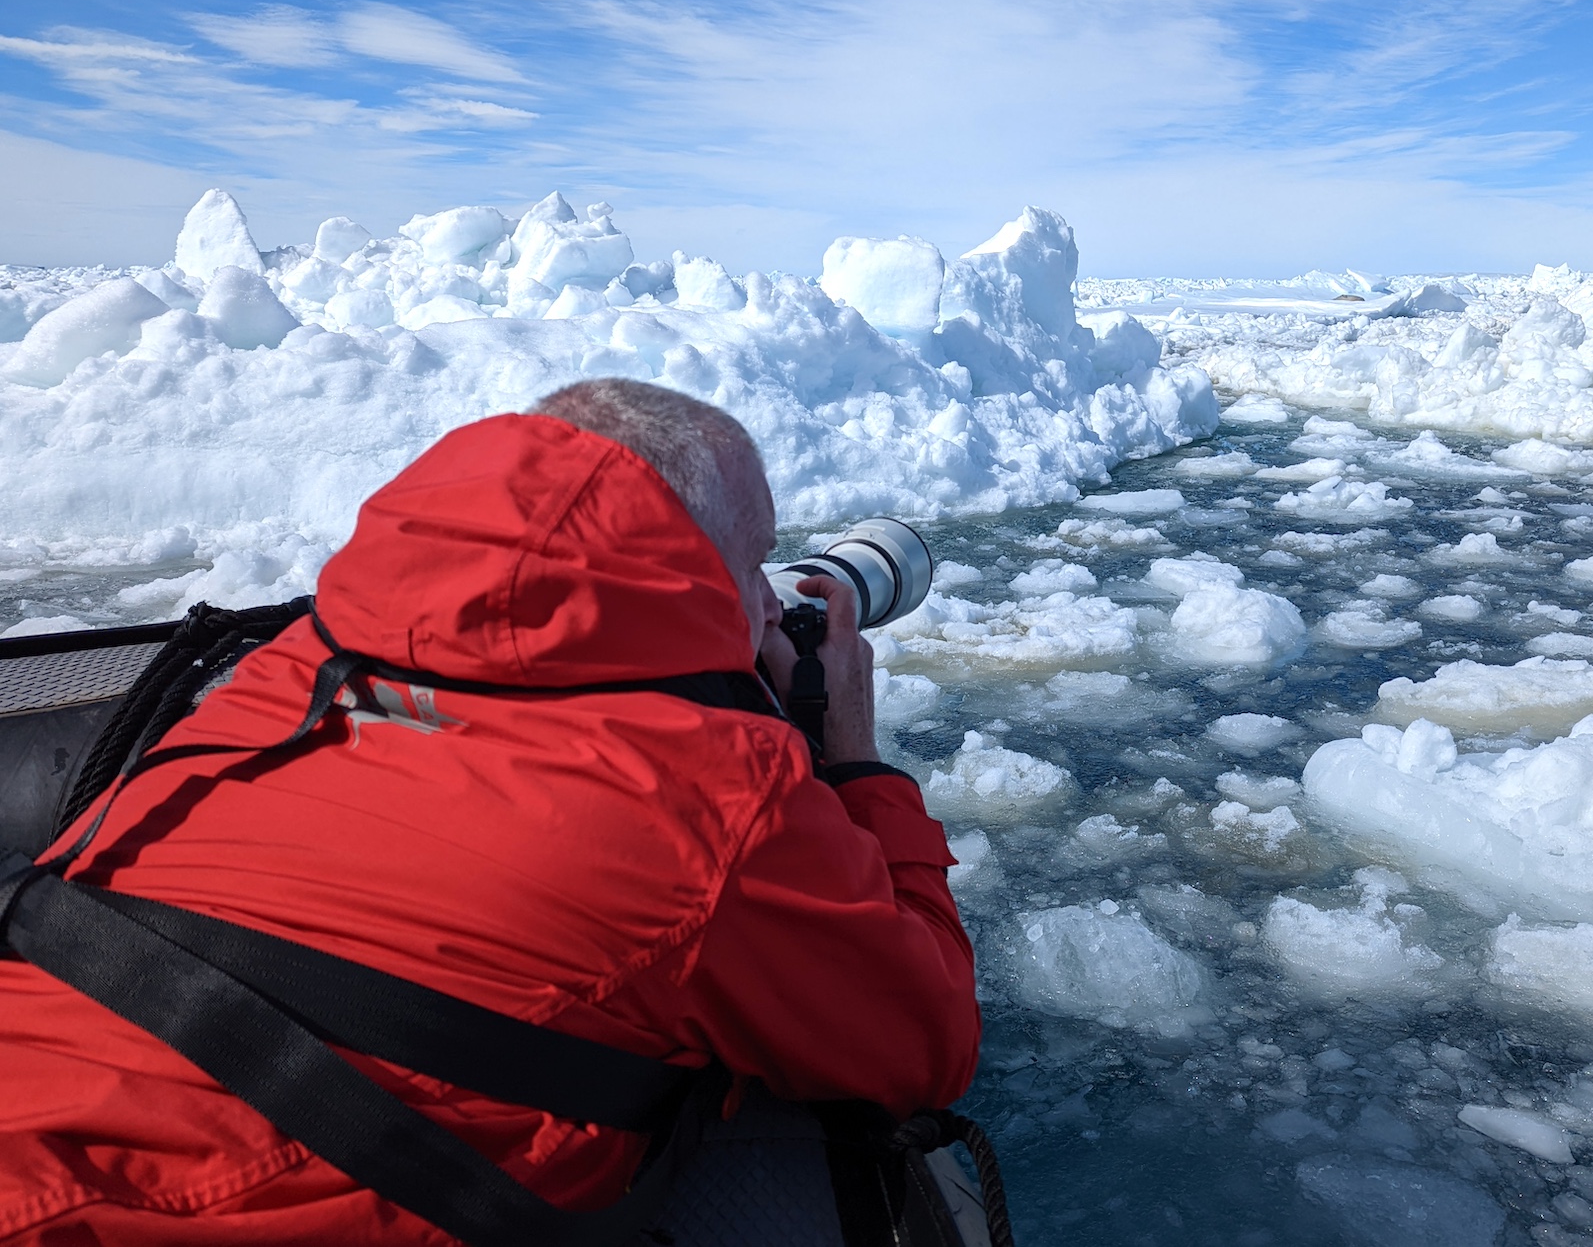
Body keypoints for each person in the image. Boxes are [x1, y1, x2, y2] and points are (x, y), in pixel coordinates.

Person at [0, 378, 980, 1243]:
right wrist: (852, 761)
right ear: (679, 563)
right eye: (755, 562)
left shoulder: (281, 670)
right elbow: (919, 1046)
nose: (771, 606)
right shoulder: (712, 799)